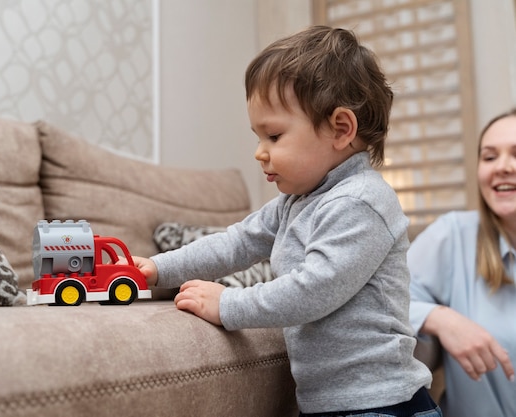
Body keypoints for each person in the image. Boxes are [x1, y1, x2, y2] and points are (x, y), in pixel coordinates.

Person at [131, 26, 438, 416]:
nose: (260, 152)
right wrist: (157, 268)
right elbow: (237, 242)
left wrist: (229, 304)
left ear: (340, 129)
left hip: (382, 403)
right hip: (329, 405)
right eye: (258, 137)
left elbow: (312, 290)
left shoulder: (362, 201)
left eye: (274, 136)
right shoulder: (296, 201)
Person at [408, 109, 516, 416]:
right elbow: (379, 299)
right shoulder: (453, 236)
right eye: (490, 157)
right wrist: (441, 318)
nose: (503, 167)